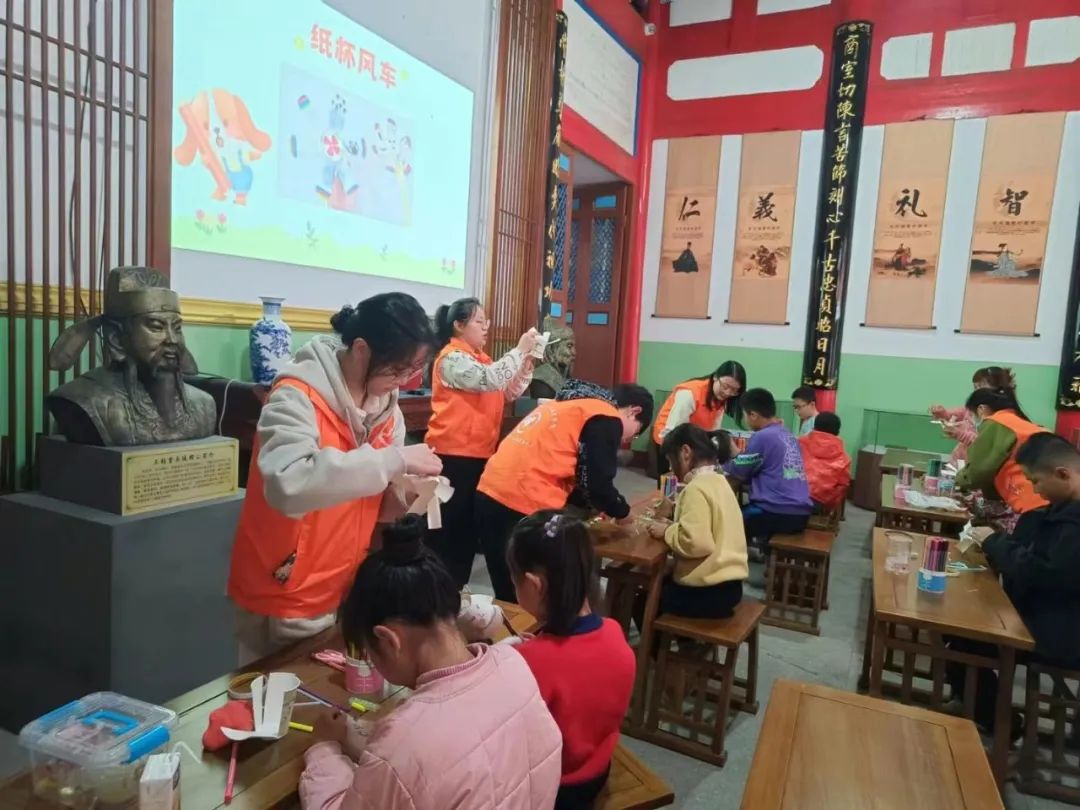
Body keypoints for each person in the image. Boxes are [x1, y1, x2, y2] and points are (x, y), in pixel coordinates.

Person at [228, 293, 444, 664]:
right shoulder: (296, 396)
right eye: (397, 369)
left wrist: (411, 494)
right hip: (284, 583)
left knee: (321, 688)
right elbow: (289, 485)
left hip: (340, 579)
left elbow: (372, 498)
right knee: (272, 689)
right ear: (360, 350)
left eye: (414, 370)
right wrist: (392, 461)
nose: (405, 381)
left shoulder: (387, 411)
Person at [299, 515, 562, 810]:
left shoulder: (405, 744)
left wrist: (324, 750)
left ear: (388, 640)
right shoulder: (514, 665)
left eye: (369, 653)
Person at [946, 434, 1080, 735]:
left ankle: (1000, 723)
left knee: (964, 634)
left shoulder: (1073, 525)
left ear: (1063, 474)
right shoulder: (1059, 510)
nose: (1035, 490)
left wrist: (994, 542)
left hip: (1060, 630)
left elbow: (1042, 573)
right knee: (959, 628)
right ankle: (977, 706)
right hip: (1044, 613)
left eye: (1036, 482)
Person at [476, 384, 654, 601]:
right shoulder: (606, 415)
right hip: (523, 499)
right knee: (533, 589)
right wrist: (624, 514)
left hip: (490, 489)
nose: (625, 441)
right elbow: (598, 484)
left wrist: (596, 505)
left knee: (508, 586)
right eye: (634, 435)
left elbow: (576, 473)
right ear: (634, 411)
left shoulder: (570, 404)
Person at [508, 512, 635, 809]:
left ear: (533, 584)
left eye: (513, 580)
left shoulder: (529, 662)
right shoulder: (615, 633)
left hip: (553, 788)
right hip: (598, 770)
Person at [424, 297, 539, 587]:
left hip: (479, 454)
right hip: (452, 456)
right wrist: (518, 349)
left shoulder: (481, 359)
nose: (486, 326)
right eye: (478, 321)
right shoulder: (452, 358)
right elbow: (490, 380)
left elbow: (508, 391)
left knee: (465, 530)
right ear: (458, 325)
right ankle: (436, 591)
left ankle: (455, 592)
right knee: (448, 532)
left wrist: (526, 363)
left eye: (486, 321)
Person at [647, 424, 748, 618]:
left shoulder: (696, 488)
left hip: (708, 589)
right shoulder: (720, 480)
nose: (671, 468)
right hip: (732, 586)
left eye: (670, 460)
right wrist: (674, 525)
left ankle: (672, 636)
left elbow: (697, 544)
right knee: (663, 581)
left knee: (644, 598)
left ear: (685, 452)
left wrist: (667, 531)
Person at [723, 388, 812, 557]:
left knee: (727, 521)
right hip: (801, 513)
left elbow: (739, 470)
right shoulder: (787, 434)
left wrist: (723, 461)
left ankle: (732, 561)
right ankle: (754, 550)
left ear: (753, 415)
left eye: (744, 414)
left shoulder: (763, 436)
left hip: (776, 511)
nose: (744, 419)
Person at [955, 388, 1048, 515]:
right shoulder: (1021, 424)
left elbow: (979, 470)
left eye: (973, 415)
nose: (973, 419)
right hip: (1052, 497)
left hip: (1029, 501)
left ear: (981, 409)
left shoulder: (996, 424)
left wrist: (958, 480)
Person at [652, 361, 747, 481]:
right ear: (715, 377)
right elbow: (674, 431)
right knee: (671, 482)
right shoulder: (690, 393)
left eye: (734, 390)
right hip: (669, 439)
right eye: (725, 386)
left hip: (691, 440)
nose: (728, 392)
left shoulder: (720, 399)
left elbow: (714, 430)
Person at [930, 367, 1025, 463]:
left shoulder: (1001, 418)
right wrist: (942, 413)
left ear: (998, 390)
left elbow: (987, 446)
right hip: (960, 464)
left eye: (981, 387)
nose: (977, 392)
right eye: (975, 387)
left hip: (979, 466)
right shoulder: (972, 409)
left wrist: (962, 435)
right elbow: (953, 415)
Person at [798, 412, 851, 512]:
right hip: (818, 503)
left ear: (814, 427)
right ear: (837, 432)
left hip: (790, 496)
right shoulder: (843, 459)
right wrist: (828, 507)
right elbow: (842, 487)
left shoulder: (799, 443)